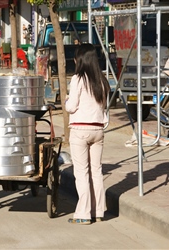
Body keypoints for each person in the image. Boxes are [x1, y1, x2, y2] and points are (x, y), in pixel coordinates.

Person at [65, 43, 110, 225]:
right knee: (96, 171)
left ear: (80, 60)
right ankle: (98, 210)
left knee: (82, 173)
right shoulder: (102, 80)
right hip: (98, 130)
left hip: (80, 130)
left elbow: (71, 106)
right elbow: (104, 106)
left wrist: (67, 100)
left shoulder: (77, 79)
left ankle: (83, 213)